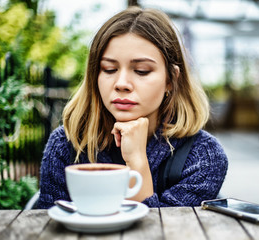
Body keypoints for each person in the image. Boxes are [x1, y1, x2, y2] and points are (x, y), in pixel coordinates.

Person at [37, 6, 228, 209]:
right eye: (109, 69)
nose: (121, 83)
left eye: (141, 71)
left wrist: (137, 161)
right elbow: (50, 225)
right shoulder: (66, 144)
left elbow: (168, 230)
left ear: (171, 80)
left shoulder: (204, 156)